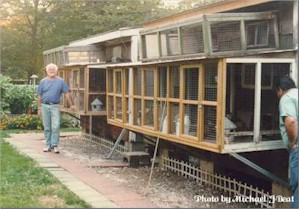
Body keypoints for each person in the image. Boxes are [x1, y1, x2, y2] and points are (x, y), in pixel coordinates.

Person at [37, 63, 75, 153]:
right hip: (44, 106)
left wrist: (72, 104)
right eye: (49, 70)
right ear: (46, 71)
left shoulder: (61, 81)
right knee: (47, 127)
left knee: (56, 126)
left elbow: (67, 93)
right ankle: (48, 145)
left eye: (53, 70)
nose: (51, 71)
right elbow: (39, 96)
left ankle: (54, 145)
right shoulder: (42, 82)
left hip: (55, 106)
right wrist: (39, 108)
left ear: (56, 71)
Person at [276, 75, 298, 208]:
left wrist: (292, 142)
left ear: (280, 90)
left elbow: (290, 121)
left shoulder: (286, 98)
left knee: (298, 188)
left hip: (298, 148)